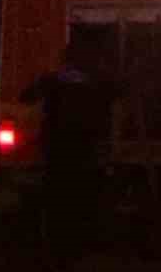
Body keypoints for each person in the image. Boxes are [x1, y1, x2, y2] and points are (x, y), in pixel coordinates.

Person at [19, 37, 121, 259]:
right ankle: (82, 246)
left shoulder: (52, 81)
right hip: (85, 151)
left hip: (57, 151)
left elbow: (25, 97)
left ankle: (58, 248)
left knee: (56, 202)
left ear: (65, 60)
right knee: (85, 199)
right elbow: (119, 92)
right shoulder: (97, 83)